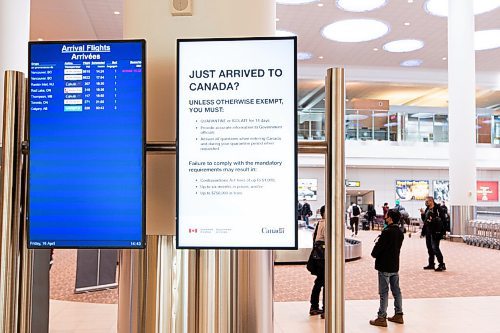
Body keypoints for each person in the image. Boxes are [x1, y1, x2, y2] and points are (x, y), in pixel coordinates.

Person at [369, 209, 405, 327]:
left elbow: (378, 249)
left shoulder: (386, 232)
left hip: (384, 265)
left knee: (384, 292)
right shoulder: (400, 232)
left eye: (387, 215)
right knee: (396, 291)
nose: (385, 216)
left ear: (390, 218)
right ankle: (399, 314)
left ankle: (381, 317)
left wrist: (374, 253)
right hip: (395, 265)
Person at [420, 196, 447, 272]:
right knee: (429, 248)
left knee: (435, 248)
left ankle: (442, 264)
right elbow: (425, 221)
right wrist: (422, 214)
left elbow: (443, 221)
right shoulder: (427, 209)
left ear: (431, 201)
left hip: (436, 231)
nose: (426, 203)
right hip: (428, 231)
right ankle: (431, 263)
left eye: (427, 201)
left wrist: (443, 232)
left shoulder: (438, 209)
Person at [309, 205, 325, 318]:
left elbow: (313, 237)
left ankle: (314, 307)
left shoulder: (319, 223)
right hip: (324, 257)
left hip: (317, 256)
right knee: (326, 282)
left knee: (319, 282)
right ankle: (326, 309)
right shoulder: (327, 223)